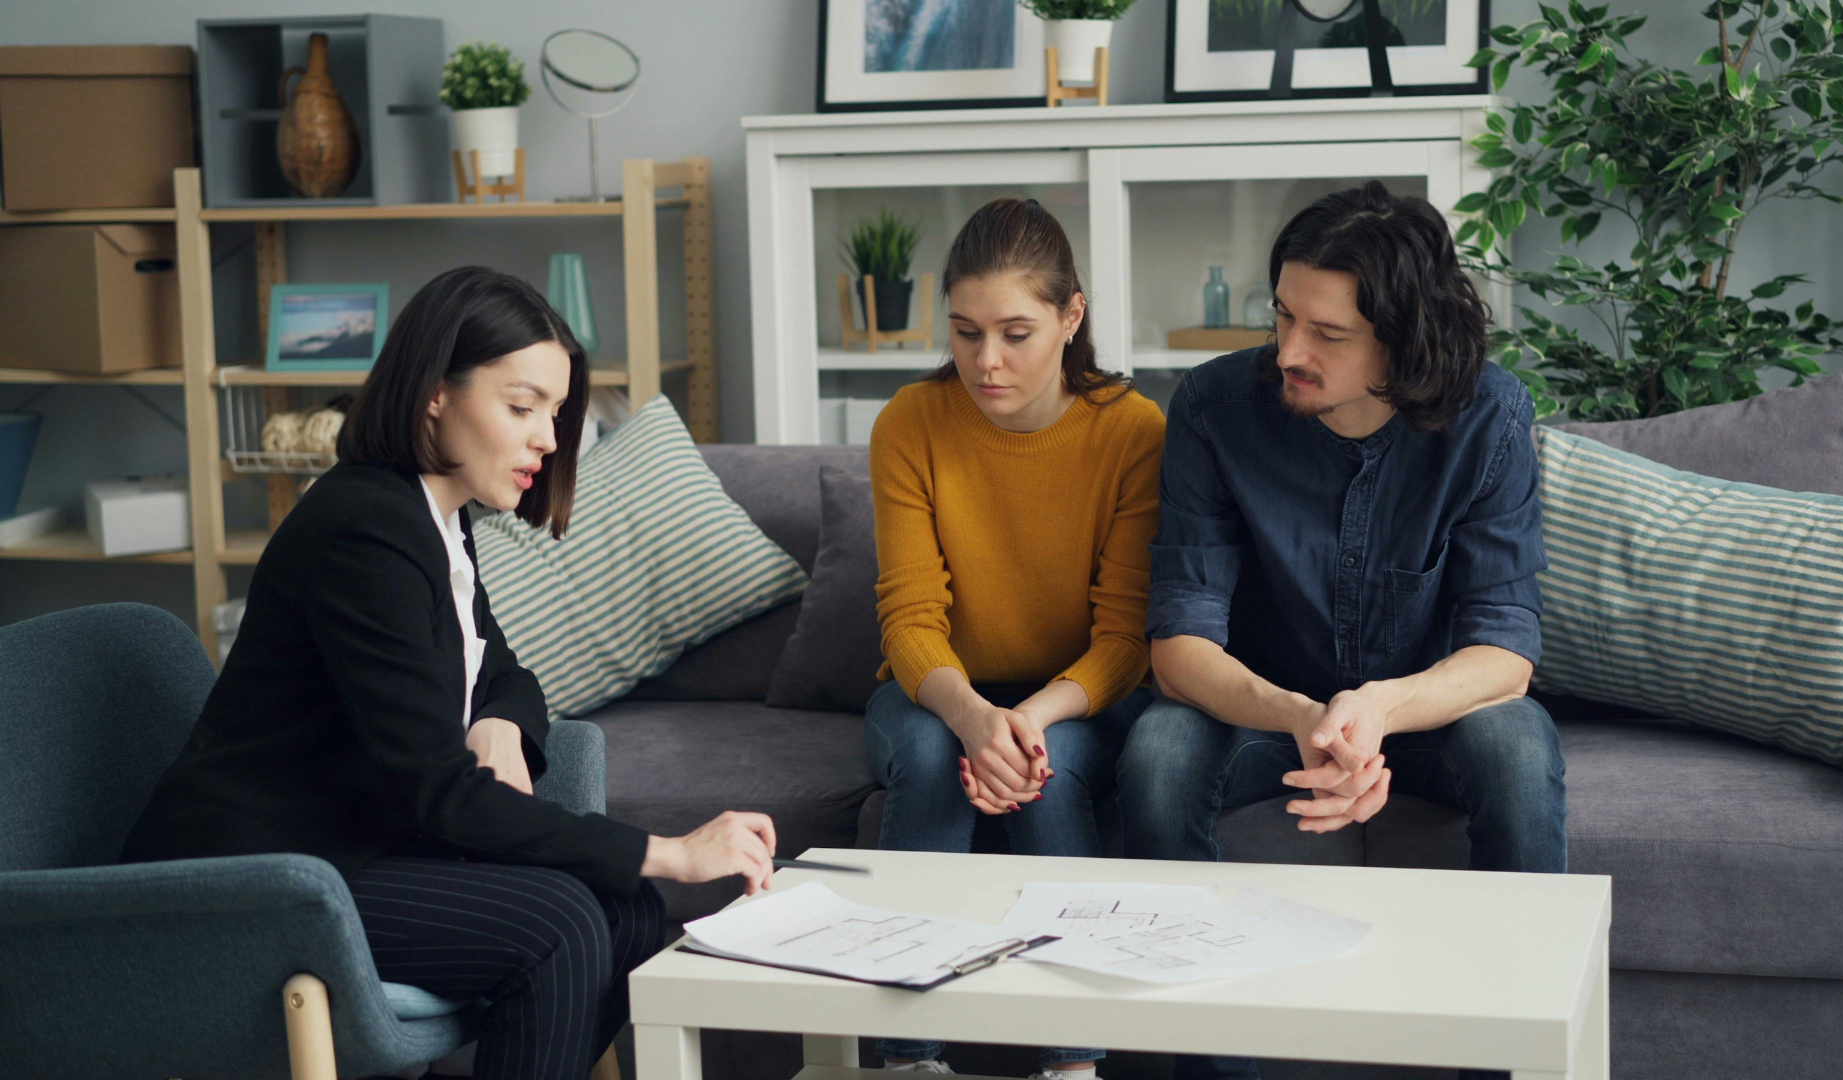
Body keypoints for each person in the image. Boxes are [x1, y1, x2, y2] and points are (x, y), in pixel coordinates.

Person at [120, 266, 779, 1080]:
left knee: (627, 911)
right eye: (521, 405)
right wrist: (670, 851)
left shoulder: (438, 518)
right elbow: (437, 790)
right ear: (436, 392)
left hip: (351, 848)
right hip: (261, 875)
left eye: (555, 412)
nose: (548, 436)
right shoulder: (368, 530)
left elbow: (506, 672)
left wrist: (499, 719)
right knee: (568, 921)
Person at [1119, 182, 1564, 1080]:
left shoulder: (1491, 415)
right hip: (1259, 711)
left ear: (1404, 338)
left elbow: (1505, 649)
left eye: (1327, 334)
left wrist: (1381, 709)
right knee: (1159, 754)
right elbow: (1179, 646)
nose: (1288, 350)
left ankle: (1519, 1055)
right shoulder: (1212, 408)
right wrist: (1299, 715)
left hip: (1426, 713)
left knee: (1516, 749)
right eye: (1282, 316)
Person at [864, 198, 1165, 1079]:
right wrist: (971, 716)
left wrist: (1023, 721)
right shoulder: (908, 425)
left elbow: (1125, 638)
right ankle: (907, 1059)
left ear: (1072, 318)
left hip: (1075, 694)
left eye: (1015, 333)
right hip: (936, 690)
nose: (985, 363)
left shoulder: (1133, 432)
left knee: (1051, 770)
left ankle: (1072, 1064)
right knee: (926, 758)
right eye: (963, 333)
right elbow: (912, 621)